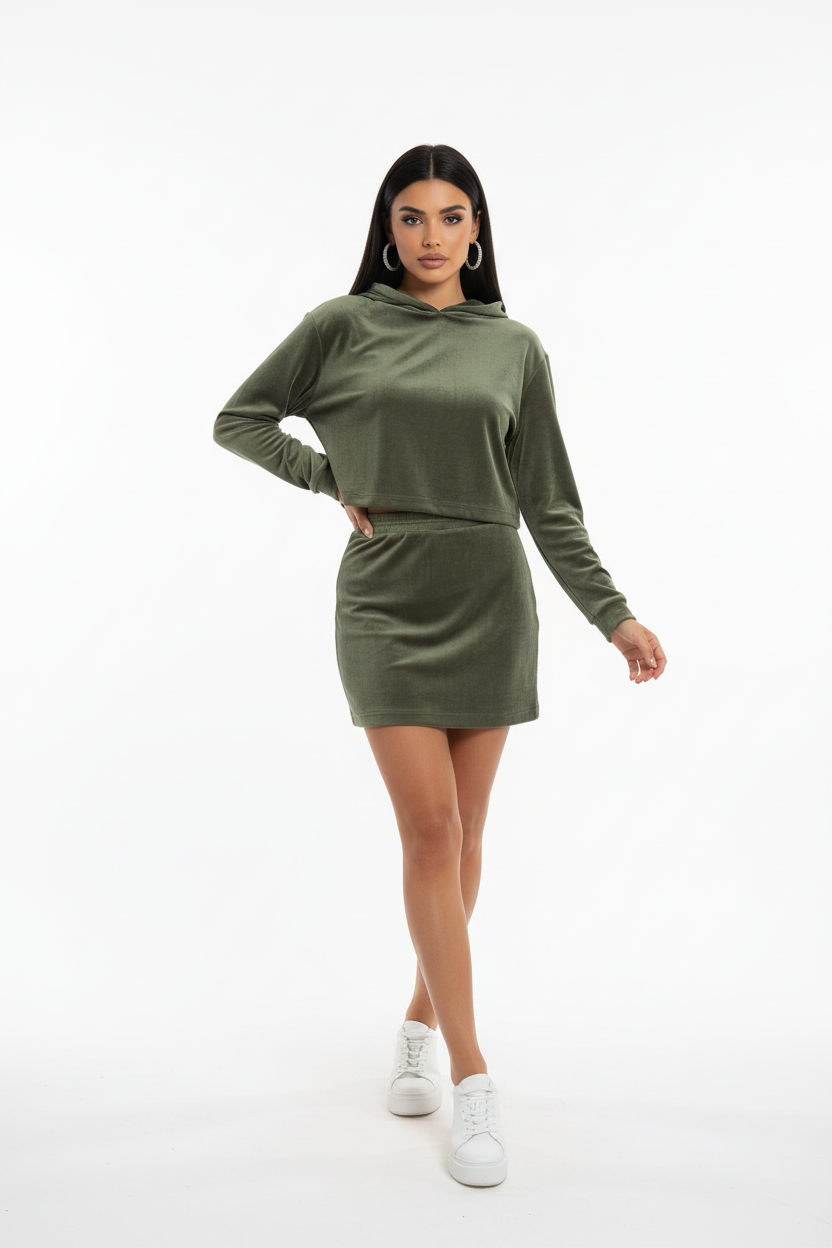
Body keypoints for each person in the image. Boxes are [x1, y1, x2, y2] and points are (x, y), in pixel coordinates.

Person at [212, 143, 667, 1188]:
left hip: (489, 596)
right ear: (388, 229)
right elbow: (239, 418)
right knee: (428, 829)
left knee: (463, 835)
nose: (431, 235)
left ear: (477, 229)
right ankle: (472, 1075)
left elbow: (548, 501)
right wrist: (329, 476)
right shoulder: (341, 325)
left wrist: (613, 614)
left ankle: (419, 1020)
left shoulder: (514, 347)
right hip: (385, 598)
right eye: (411, 217)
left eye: (450, 216)